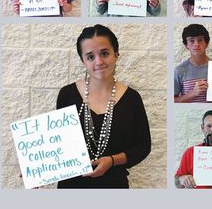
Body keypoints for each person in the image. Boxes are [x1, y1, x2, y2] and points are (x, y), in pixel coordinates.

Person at [56, 25, 151, 188]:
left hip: (114, 185)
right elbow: (57, 144)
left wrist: (112, 161)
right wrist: (37, 170)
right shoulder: (67, 94)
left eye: (105, 53)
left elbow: (143, 146)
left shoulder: (132, 98)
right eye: (90, 57)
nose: (99, 61)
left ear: (116, 53)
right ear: (83, 61)